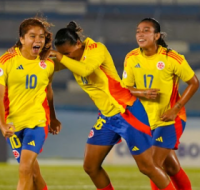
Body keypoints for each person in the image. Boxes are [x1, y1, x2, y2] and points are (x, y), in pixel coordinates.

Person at [46, 21, 177, 190]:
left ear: (78, 44)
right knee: (90, 166)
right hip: (107, 117)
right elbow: (51, 66)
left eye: (69, 54)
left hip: (126, 111)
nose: (67, 58)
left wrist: (60, 56)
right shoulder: (72, 56)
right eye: (65, 55)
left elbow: (85, 69)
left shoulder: (96, 49)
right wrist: (29, 56)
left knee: (147, 167)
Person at [122, 18, 199, 190]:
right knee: (170, 167)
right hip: (146, 121)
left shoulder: (171, 58)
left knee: (152, 165)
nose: (140, 34)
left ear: (157, 35)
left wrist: (175, 109)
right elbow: (125, 89)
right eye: (138, 31)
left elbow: (194, 82)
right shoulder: (131, 57)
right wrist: (142, 93)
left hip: (171, 119)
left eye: (146, 30)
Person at [0, 17, 62, 190]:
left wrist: (54, 117)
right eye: (32, 36)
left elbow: (48, 91)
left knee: (25, 168)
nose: (38, 40)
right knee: (33, 174)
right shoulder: (7, 61)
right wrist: (2, 124)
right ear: (22, 39)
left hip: (37, 122)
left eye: (41, 37)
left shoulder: (48, 64)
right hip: (13, 126)